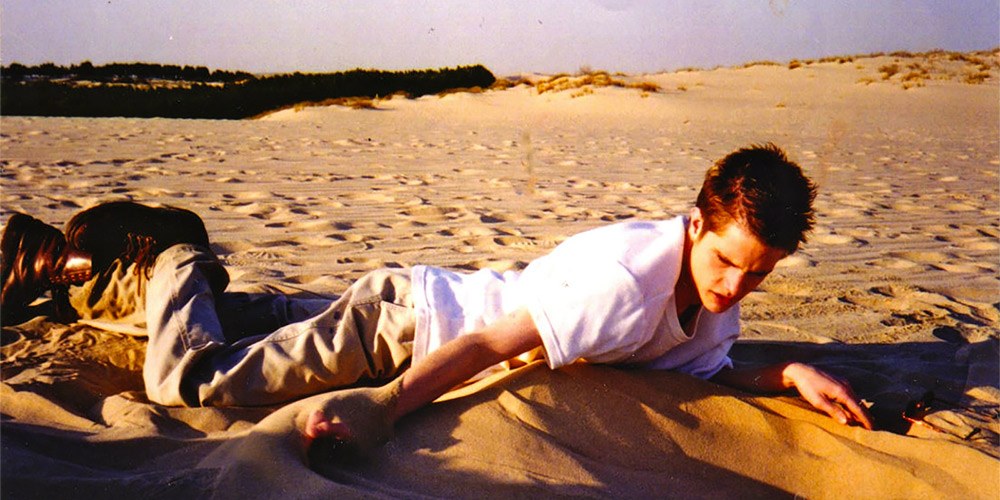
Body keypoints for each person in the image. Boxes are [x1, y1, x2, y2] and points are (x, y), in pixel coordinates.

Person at [0, 143, 873, 453]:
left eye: (759, 273)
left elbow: (707, 369)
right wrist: (384, 408)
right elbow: (496, 343)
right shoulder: (628, 281)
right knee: (185, 382)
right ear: (695, 225)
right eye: (728, 263)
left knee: (242, 328)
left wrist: (790, 371)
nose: (736, 286)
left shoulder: (717, 293)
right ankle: (176, 249)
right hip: (406, 334)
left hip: (413, 298)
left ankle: (76, 271)